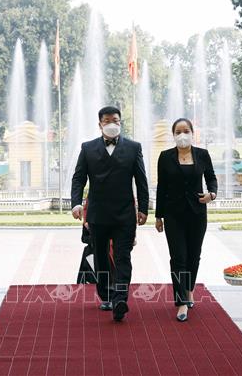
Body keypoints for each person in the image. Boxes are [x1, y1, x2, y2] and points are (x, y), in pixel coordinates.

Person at [70, 106, 149, 322]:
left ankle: (120, 298)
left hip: (125, 214)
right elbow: (78, 178)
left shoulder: (134, 148)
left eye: (115, 120)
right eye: (107, 120)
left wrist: (143, 208)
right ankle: (105, 295)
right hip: (98, 214)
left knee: (123, 256)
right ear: (100, 124)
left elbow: (141, 180)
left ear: (120, 122)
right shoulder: (88, 148)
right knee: (102, 257)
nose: (111, 123)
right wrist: (76, 203)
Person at [155, 118, 217, 322]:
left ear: (192, 133)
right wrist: (158, 216)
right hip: (173, 214)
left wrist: (212, 194)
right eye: (178, 131)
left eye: (186, 131)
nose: (182, 135)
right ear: (173, 135)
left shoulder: (202, 154)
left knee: (194, 255)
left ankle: (189, 289)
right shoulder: (165, 157)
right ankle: (181, 302)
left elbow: (211, 178)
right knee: (178, 257)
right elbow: (162, 187)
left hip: (197, 213)